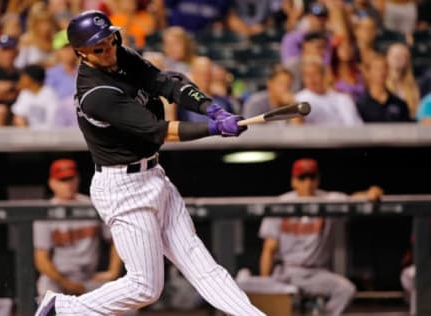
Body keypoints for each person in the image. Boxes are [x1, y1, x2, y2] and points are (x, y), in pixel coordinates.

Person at [35, 10, 264, 316]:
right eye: (98, 48)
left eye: (110, 40)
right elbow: (159, 131)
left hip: (153, 174)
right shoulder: (95, 94)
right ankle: (61, 307)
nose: (109, 50)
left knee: (201, 263)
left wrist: (212, 109)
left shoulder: (121, 56)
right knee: (145, 287)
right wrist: (212, 129)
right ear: (81, 53)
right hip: (123, 187)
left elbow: (167, 84)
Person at [259, 158, 384, 316]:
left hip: (317, 273)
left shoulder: (327, 200)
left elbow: (353, 200)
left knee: (346, 290)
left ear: (318, 180)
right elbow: (269, 249)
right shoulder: (281, 204)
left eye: (312, 177)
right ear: (294, 181)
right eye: (302, 178)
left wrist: (369, 194)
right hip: (286, 272)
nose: (308, 183)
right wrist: (265, 284)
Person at [33, 159, 123, 298]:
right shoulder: (46, 212)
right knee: (46, 289)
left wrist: (113, 271)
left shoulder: (93, 204)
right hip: (59, 278)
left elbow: (117, 238)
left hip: (89, 278)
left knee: (126, 303)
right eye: (63, 180)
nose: (68, 184)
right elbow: (41, 260)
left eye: (71, 179)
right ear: (52, 183)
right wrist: (66, 283)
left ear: (77, 179)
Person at [11, 64, 60, 128]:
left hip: (46, 133)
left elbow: (53, 120)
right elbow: (19, 114)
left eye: (23, 77)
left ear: (31, 79)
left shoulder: (49, 94)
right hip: (27, 133)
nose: (20, 80)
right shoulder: (24, 94)